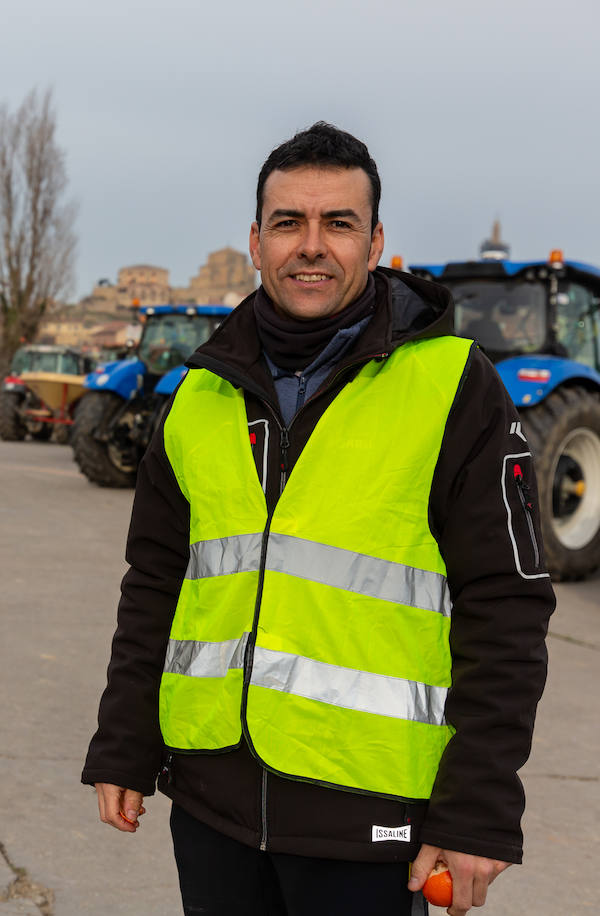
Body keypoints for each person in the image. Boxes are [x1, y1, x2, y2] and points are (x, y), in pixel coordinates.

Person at [82, 123, 554, 916]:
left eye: (337, 223)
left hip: (367, 815)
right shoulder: (198, 395)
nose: (311, 245)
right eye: (288, 222)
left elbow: (506, 603)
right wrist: (125, 740)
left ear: (374, 245)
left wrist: (478, 805)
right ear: (256, 241)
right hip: (211, 802)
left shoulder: (454, 387)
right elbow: (158, 581)